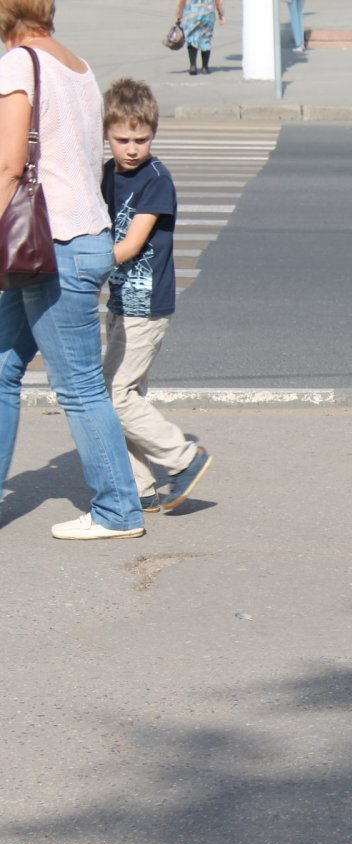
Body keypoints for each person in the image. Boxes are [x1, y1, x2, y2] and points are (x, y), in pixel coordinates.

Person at [0, 0, 144, 540]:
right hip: (78, 239)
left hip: (49, 247)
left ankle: (117, 509)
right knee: (1, 368)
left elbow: (11, 164)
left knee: (80, 387)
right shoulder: (77, 65)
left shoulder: (17, 64)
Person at [100, 78, 212, 514]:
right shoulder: (108, 174)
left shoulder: (156, 181)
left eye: (141, 139)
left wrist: (80, 265)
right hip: (120, 301)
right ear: (107, 134)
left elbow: (128, 245)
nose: (131, 148)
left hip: (147, 307)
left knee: (112, 395)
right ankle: (140, 485)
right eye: (122, 139)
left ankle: (184, 459)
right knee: (123, 396)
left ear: (154, 134)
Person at [176, 0, 224, 76]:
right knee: (206, 39)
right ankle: (205, 67)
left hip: (192, 12)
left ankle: (193, 66)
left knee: (192, 38)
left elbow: (182, 1)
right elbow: (218, 1)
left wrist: (179, 15)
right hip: (208, 13)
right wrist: (221, 14)